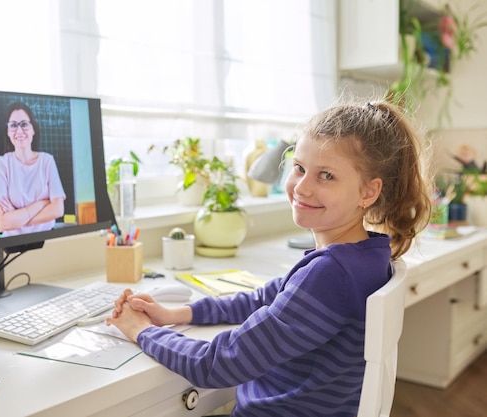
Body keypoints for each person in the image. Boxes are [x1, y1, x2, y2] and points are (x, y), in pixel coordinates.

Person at [106, 101, 433, 416]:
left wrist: (141, 331)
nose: (301, 188)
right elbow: (267, 297)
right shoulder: (368, 255)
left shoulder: (331, 273)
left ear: (368, 192)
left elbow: (217, 365)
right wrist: (177, 313)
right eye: (300, 168)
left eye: (326, 176)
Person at [0, 102, 66, 236]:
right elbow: (2, 223)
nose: (19, 131)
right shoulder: (1, 165)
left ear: (33, 129)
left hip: (47, 242)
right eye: (13, 125)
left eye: (24, 124)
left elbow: (58, 210)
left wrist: (17, 217)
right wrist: (41, 204)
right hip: (12, 248)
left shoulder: (47, 161)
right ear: (8, 131)